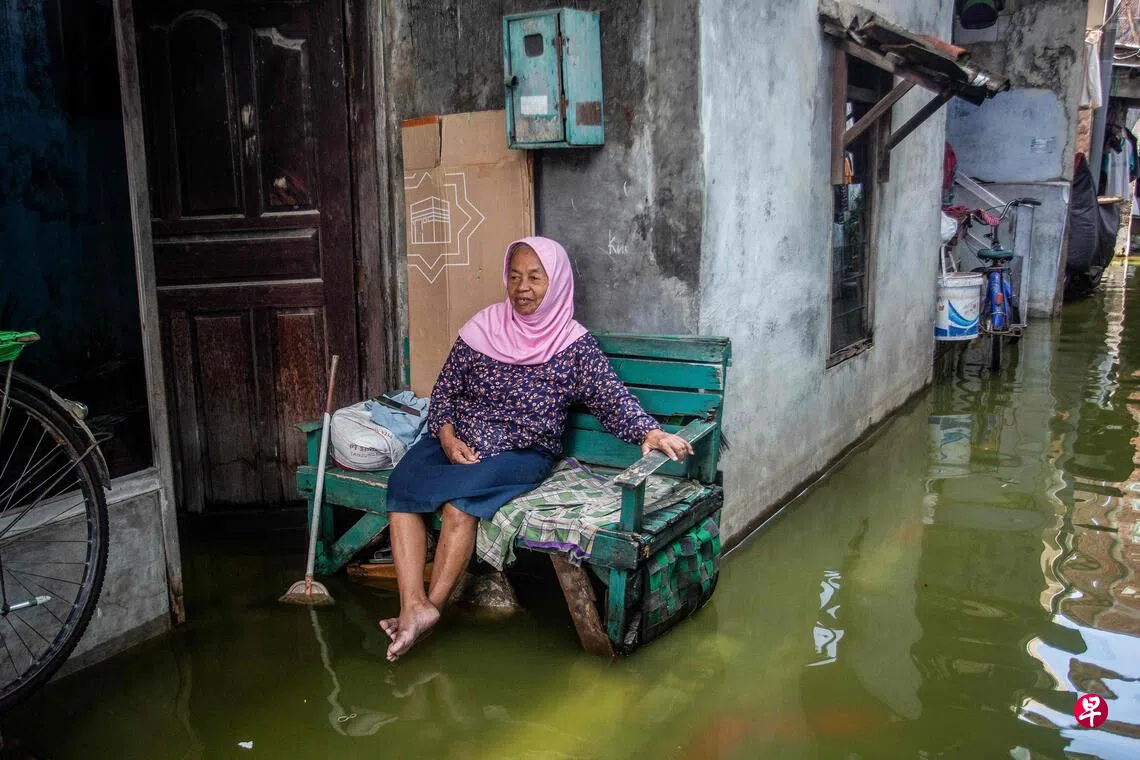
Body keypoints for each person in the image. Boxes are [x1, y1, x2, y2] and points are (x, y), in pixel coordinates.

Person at [379, 236, 694, 661]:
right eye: (514, 277)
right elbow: (446, 392)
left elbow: (611, 398)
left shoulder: (573, 346)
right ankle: (412, 606)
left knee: (460, 506)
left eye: (534, 278)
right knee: (402, 486)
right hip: (459, 441)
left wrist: (650, 434)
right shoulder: (482, 328)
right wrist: (448, 439)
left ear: (556, 283)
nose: (521, 288)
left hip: (521, 452)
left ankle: (428, 609)